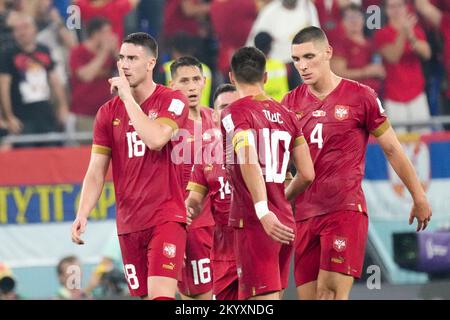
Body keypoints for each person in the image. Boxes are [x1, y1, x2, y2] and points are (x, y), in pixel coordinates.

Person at [282, 26, 432, 300]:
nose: (302, 66)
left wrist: (418, 195)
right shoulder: (289, 103)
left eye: (309, 56)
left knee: (329, 293)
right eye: (296, 59)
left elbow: (393, 149)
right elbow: (282, 164)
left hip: (344, 210)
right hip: (304, 215)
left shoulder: (361, 96)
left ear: (328, 53)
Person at [71, 32, 190, 300]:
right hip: (128, 225)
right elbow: (96, 170)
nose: (124, 64)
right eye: (121, 57)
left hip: (165, 217)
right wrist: (83, 212)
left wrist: (128, 99)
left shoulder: (173, 100)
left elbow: (157, 139)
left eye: (133, 58)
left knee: (162, 296)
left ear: (150, 63)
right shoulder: (106, 113)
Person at [220, 47, 315, 300]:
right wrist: (280, 199)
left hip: (256, 222)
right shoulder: (288, 115)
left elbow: (248, 156)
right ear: (265, 78)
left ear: (231, 77)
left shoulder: (233, 112)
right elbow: (306, 173)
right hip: (284, 221)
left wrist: (263, 210)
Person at [185, 83, 239, 300]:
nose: (230, 112)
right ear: (214, 116)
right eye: (224, 107)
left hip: (257, 246)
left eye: (235, 106)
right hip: (222, 251)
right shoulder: (205, 154)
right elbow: (193, 202)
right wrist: (180, 223)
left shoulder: (267, 146)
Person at [169, 56, 216, 300]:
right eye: (183, 81)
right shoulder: (168, 127)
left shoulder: (216, 119)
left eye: (196, 79)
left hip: (221, 225)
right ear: (171, 86)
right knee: (198, 298)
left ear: (204, 81)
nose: (191, 86)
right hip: (191, 226)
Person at [0, 14, 69, 144]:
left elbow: (55, 81)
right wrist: (9, 117)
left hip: (46, 113)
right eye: (17, 29)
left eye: (25, 27)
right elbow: (3, 87)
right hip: (22, 116)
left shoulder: (44, 50)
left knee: (52, 151)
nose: (22, 32)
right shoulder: (7, 54)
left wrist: (62, 107)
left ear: (34, 29)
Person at [374, 0, 431, 132]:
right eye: (392, 7)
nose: (396, 10)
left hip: (417, 94)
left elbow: (427, 53)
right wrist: (404, 32)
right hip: (394, 97)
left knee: (421, 143)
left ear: (406, 8)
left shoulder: (416, 31)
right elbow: (393, 57)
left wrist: (411, 36)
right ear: (386, 10)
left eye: (400, 5)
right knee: (398, 145)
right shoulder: (382, 34)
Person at [69, 17, 117, 132]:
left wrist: (117, 53)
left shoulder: (111, 54)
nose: (111, 36)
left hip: (107, 114)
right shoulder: (78, 52)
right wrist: (104, 52)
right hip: (84, 115)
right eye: (107, 32)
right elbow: (86, 76)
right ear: (96, 34)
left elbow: (127, 76)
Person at [330, 3, 385, 95]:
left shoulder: (372, 43)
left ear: (363, 19)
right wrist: (366, 72)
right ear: (343, 22)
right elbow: (337, 74)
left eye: (357, 16)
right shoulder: (341, 44)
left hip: (377, 96)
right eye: (350, 18)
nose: (354, 21)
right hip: (353, 98)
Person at [253, 31, 289, 102]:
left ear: (255, 46)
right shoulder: (280, 65)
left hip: (263, 110)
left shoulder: (251, 68)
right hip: (282, 108)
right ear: (270, 47)